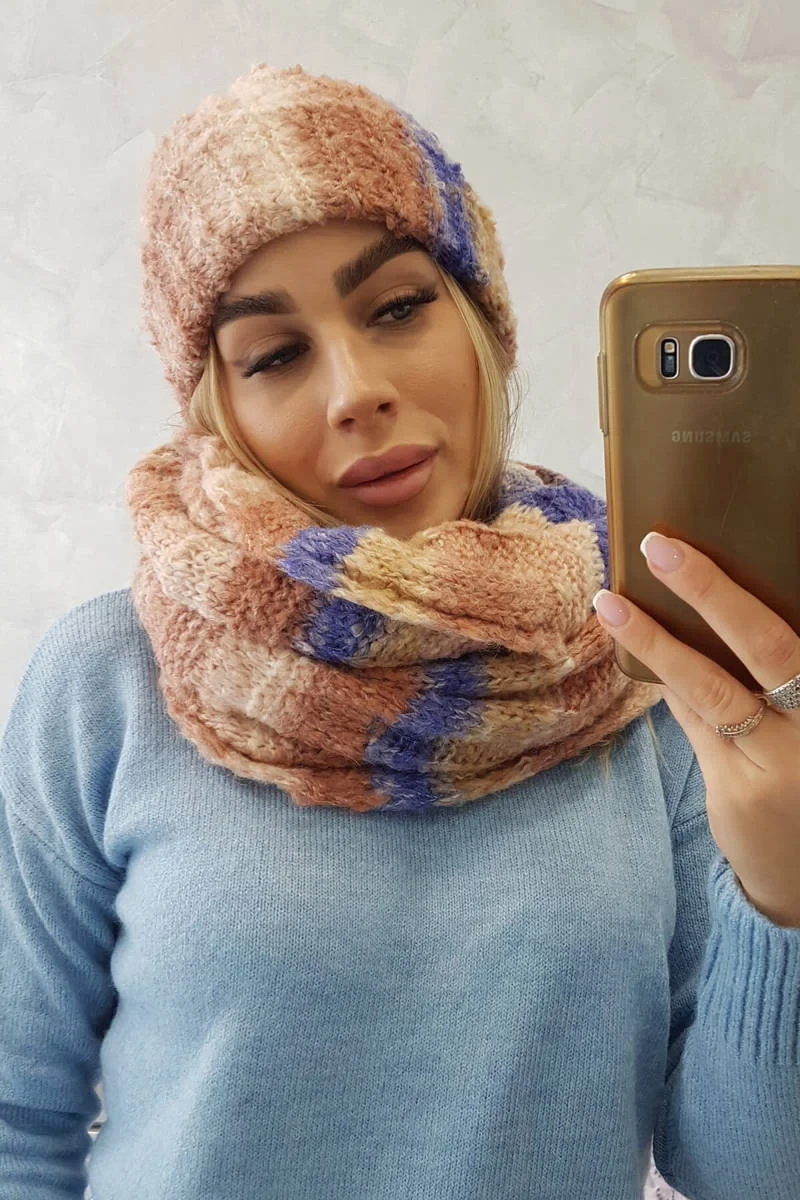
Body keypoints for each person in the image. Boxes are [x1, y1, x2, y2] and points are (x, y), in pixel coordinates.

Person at [0, 62, 796, 1200]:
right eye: (275, 355)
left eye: (396, 307)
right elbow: (17, 1121)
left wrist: (783, 893)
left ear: (481, 323)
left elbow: (745, 1175)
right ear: (220, 408)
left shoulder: (649, 675)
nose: (353, 390)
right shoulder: (106, 683)